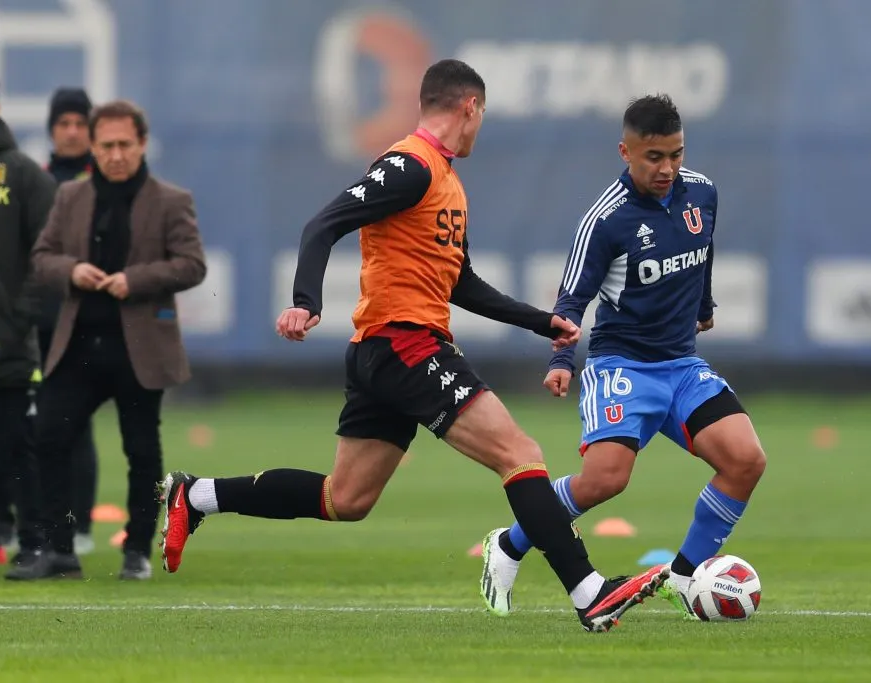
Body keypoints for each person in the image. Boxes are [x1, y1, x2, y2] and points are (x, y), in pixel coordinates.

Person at [158, 59, 668, 633]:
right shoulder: (409, 165)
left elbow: (461, 283)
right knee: (519, 454)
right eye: (481, 116)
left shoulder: (447, 182)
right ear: (469, 107)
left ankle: (196, 495)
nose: (480, 128)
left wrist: (539, 321)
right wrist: (307, 300)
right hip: (406, 345)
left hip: (386, 352)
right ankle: (588, 591)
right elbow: (321, 225)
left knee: (345, 498)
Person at [478, 94, 767, 619]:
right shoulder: (605, 220)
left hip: (681, 366)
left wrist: (704, 305)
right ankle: (510, 544)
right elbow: (570, 300)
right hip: (623, 367)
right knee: (606, 480)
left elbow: (702, 258)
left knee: (745, 460)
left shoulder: (702, 192)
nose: (668, 168)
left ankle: (683, 577)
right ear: (625, 152)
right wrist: (562, 362)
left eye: (676, 154)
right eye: (653, 157)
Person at [7, 99, 206, 581]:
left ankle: (136, 549)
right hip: (77, 343)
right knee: (51, 438)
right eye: (107, 146)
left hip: (138, 347)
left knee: (140, 449)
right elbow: (42, 257)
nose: (116, 154)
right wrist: (72, 270)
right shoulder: (70, 198)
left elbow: (192, 264)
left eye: (124, 144)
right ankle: (60, 549)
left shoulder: (170, 200)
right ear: (93, 148)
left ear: (141, 144)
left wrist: (134, 280)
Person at [0, 76, 57, 567]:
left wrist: (19, 320)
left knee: (17, 446)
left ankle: (34, 541)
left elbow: (48, 255)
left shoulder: (22, 175)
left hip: (6, 342)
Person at [42, 87, 100, 556]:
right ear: (52, 129)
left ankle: (78, 525)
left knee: (75, 423)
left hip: (85, 320)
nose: (73, 131)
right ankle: (24, 524)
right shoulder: (32, 180)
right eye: (64, 123)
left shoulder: (105, 182)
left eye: (80, 122)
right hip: (38, 318)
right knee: (25, 424)